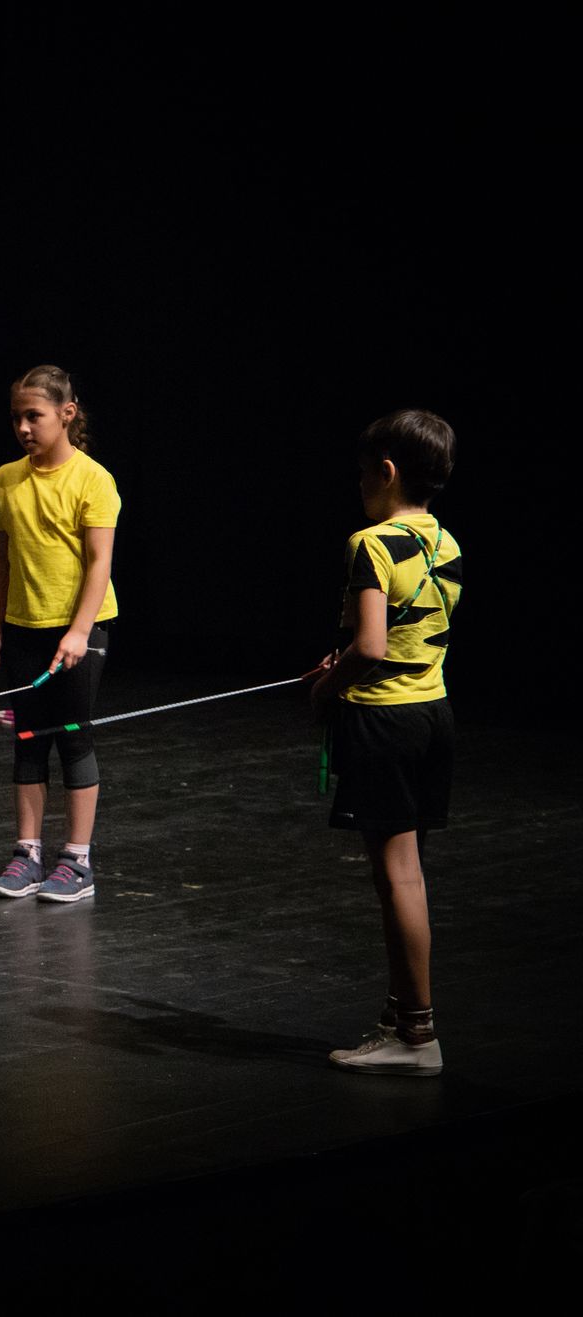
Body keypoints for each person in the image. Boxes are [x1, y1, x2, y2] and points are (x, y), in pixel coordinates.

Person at [310, 410, 461, 1076]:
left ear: (388, 471)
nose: (360, 483)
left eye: (364, 471)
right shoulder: (446, 541)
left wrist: (327, 686)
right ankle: (403, 1021)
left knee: (397, 876)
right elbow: (405, 636)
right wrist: (344, 661)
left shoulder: (371, 543)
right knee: (408, 874)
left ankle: (417, 1033)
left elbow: (370, 647)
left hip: (384, 723)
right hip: (432, 716)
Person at [0, 365, 119, 903]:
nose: (23, 427)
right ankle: (28, 855)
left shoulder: (93, 479)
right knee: (28, 739)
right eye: (16, 417)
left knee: (73, 738)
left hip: (80, 629)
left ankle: (77, 862)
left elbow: (100, 561)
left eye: (34, 416)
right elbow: (1, 559)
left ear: (67, 414)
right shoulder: (6, 479)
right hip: (24, 628)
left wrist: (79, 631)